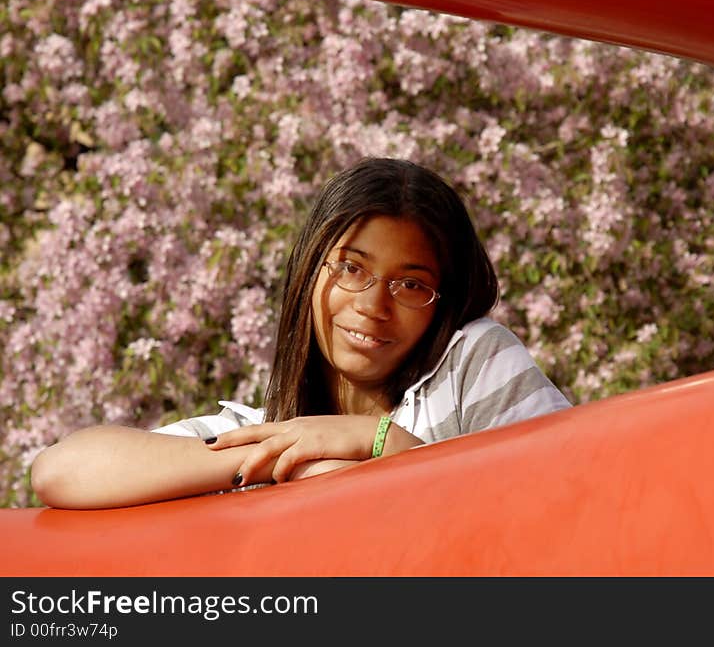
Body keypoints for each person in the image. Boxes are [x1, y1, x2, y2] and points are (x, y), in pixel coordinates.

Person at [30, 157, 571, 509]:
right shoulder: (261, 434)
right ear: (310, 270)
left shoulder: (470, 362)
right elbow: (61, 470)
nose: (373, 306)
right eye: (351, 269)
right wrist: (291, 457)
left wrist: (375, 442)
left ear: (442, 301)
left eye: (411, 283)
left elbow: (563, 490)